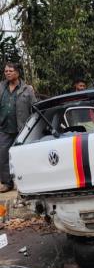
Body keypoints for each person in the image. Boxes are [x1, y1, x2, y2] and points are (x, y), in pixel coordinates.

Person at [0, 62, 37, 193]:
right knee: (3, 155)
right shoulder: (1, 87)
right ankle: (7, 183)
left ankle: (27, 181)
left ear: (17, 73)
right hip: (4, 127)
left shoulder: (27, 89)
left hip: (21, 129)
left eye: (10, 70)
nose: (8, 73)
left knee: (24, 155)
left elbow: (35, 108)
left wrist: (32, 127)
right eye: (6, 71)